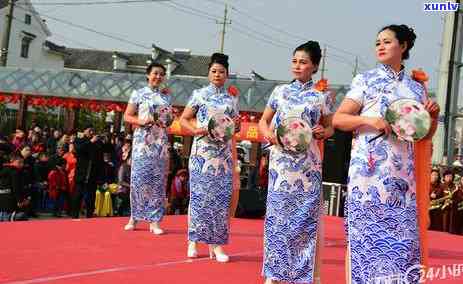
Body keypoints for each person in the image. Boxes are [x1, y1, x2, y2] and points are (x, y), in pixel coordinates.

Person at [332, 24, 440, 283]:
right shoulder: (366, 80)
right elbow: (339, 119)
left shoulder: (417, 89)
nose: (380, 46)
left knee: (403, 247)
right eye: (377, 42)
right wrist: (370, 120)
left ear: (403, 47)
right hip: (368, 177)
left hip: (403, 179)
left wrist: (433, 117)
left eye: (387, 42)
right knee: (364, 243)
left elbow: (424, 134)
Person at [258, 41, 334, 284]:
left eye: (303, 62)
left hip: (308, 166)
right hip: (280, 164)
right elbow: (263, 121)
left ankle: (303, 275)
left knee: (304, 220)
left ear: (314, 66)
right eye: (294, 61)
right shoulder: (279, 92)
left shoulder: (321, 96)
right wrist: (268, 134)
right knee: (278, 217)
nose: (297, 66)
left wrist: (325, 130)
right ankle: (274, 273)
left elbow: (332, 126)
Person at [179, 52, 238, 262]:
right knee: (199, 198)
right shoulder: (199, 95)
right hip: (201, 155)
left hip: (222, 157)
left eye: (221, 72)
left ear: (227, 74)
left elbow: (235, 127)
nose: (217, 75)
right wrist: (196, 130)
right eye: (214, 71)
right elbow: (184, 119)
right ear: (208, 73)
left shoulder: (231, 99)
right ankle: (192, 242)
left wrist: (234, 157)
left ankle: (218, 246)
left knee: (221, 201)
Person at [123, 62, 171, 235]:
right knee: (138, 180)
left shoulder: (166, 97)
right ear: (148, 75)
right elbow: (127, 115)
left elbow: (168, 119)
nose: (158, 77)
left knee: (158, 182)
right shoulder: (138, 94)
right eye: (155, 73)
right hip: (142, 143)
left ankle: (155, 221)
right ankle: (134, 217)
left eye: (161, 74)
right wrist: (140, 121)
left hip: (159, 144)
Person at [71, 126, 104, 219]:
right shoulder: (79, 140)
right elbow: (79, 150)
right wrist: (90, 142)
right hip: (82, 173)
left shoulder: (97, 142)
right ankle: (74, 215)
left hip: (92, 174)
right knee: (78, 195)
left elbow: (100, 158)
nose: (91, 132)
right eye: (89, 130)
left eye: (93, 130)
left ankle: (89, 216)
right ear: (84, 131)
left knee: (91, 197)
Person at [0, 154, 29, 222]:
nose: (21, 164)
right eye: (19, 162)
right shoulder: (15, 172)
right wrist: (20, 200)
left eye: (22, 162)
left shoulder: (4, 170)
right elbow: (16, 188)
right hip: (11, 200)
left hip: (3, 199)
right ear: (12, 161)